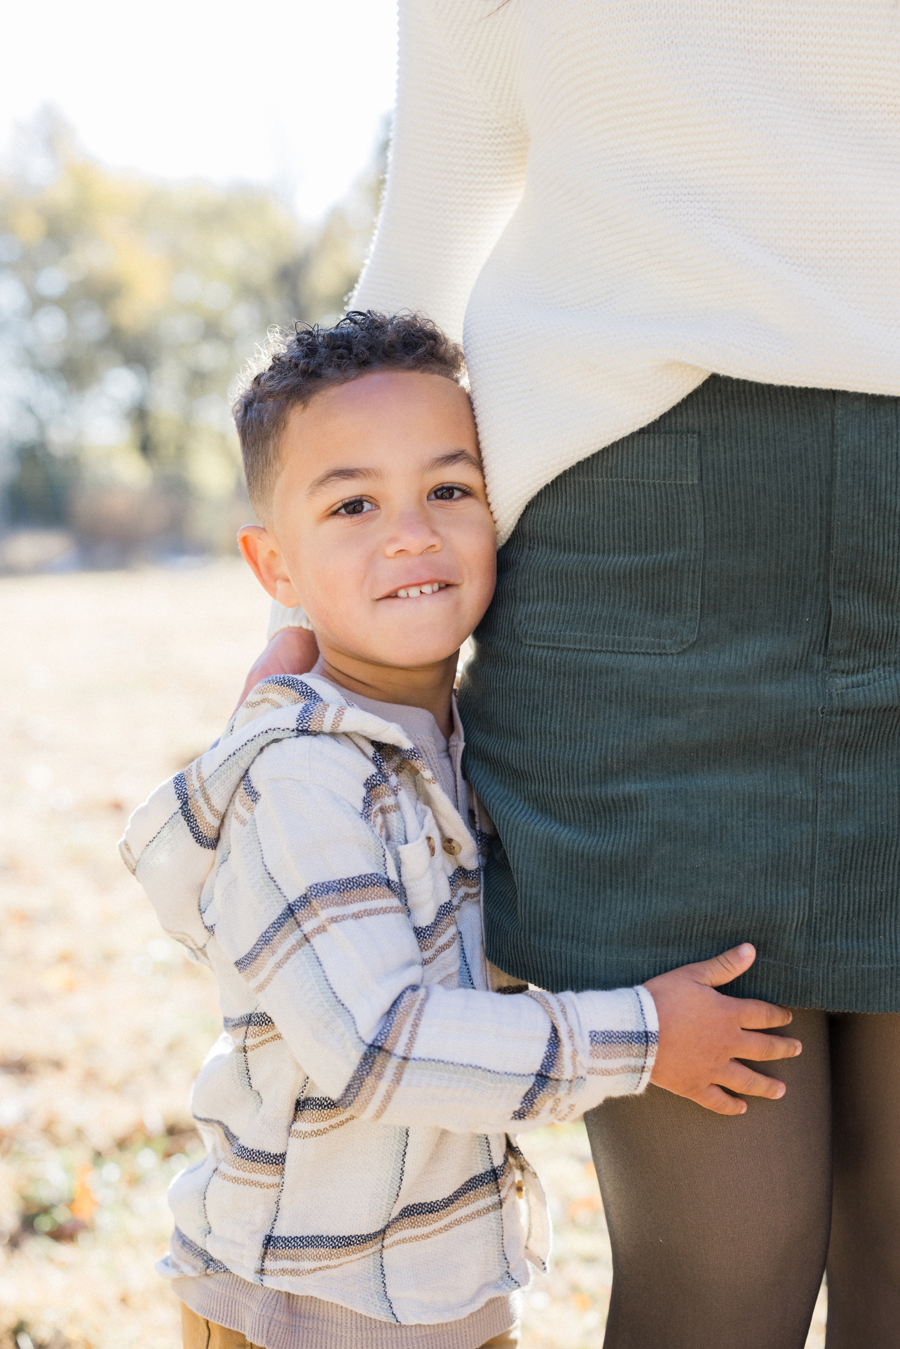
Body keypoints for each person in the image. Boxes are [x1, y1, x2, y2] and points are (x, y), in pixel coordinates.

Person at [249, 7, 900, 1348]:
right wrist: (339, 608)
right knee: (723, 1282)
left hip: (647, 544)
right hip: (638, 569)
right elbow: (433, 223)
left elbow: (432, 214)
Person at [121, 313, 799, 1349]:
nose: (410, 532)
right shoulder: (301, 778)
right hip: (308, 1306)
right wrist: (644, 1036)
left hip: (450, 1285)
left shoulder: (461, 741)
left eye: (449, 488)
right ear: (275, 567)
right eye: (353, 503)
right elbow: (383, 1044)